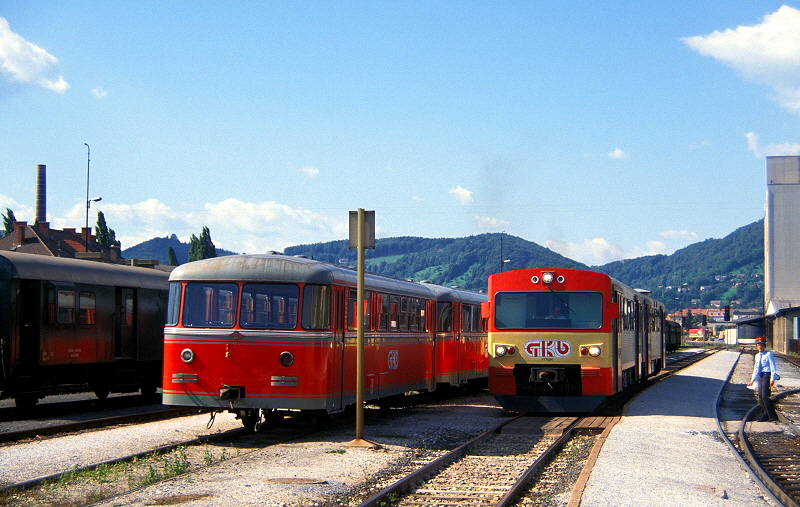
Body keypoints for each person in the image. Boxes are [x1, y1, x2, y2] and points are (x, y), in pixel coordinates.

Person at [747, 337, 779, 422]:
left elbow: (773, 367)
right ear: (756, 346)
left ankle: (772, 416)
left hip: (767, 376)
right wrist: (752, 380)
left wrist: (772, 379)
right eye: (758, 345)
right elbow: (756, 369)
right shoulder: (757, 356)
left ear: (764, 346)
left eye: (761, 345)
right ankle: (765, 414)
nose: (760, 347)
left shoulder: (769, 354)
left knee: (765, 396)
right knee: (760, 397)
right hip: (760, 376)